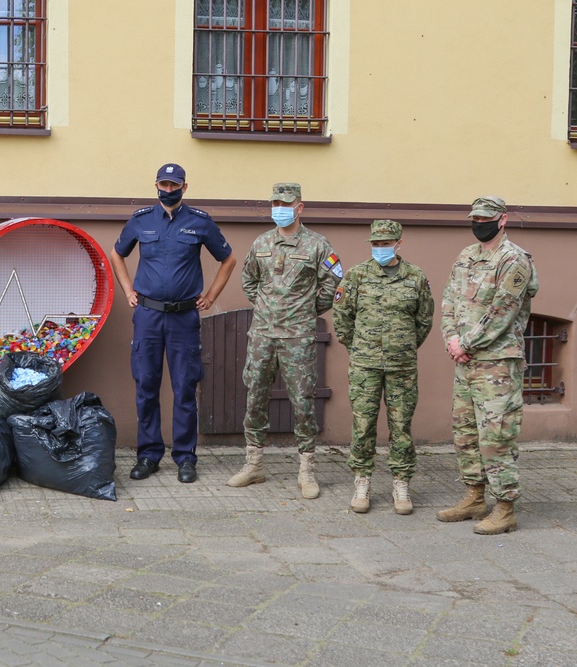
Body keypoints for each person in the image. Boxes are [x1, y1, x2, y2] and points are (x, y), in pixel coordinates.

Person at [110, 163, 237, 483]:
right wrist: (128, 290)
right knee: (146, 386)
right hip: (149, 317)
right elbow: (117, 254)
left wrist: (210, 295)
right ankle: (148, 455)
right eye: (163, 185)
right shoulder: (141, 221)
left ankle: (185, 458)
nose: (168, 190)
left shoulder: (199, 222)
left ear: (184, 187)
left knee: (184, 389)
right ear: (156, 185)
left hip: (183, 318)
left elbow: (229, 259)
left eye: (174, 185)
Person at [228, 182, 342, 499]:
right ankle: (254, 465)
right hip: (263, 334)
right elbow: (249, 279)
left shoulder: (318, 245)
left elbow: (333, 283)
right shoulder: (262, 242)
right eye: (275, 202)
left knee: (302, 402)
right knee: (255, 396)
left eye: (286, 203)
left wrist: (304, 310)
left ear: (300, 207)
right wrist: (266, 308)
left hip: (297, 336)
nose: (279, 208)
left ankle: (306, 470)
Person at [438, 196, 538, 535]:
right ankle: (474, 497)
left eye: (485, 217)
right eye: (475, 217)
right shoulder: (466, 255)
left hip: (497, 363)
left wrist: (464, 344)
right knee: (465, 431)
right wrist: (451, 339)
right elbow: (449, 299)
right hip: (466, 362)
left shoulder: (514, 260)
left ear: (502, 219)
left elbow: (502, 312)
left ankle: (505, 507)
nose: (478, 222)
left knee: (496, 435)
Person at [333, 220, 434, 514]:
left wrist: (403, 346)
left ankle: (401, 484)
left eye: (385, 243)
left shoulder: (416, 277)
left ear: (398, 244)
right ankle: (362, 481)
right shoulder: (356, 276)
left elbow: (424, 320)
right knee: (363, 424)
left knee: (401, 426)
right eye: (375, 244)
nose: (380, 248)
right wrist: (358, 347)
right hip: (365, 365)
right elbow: (342, 318)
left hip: (402, 365)